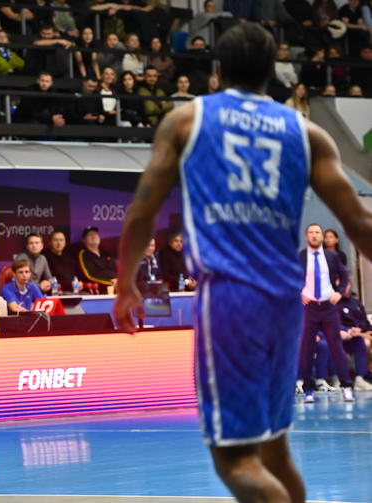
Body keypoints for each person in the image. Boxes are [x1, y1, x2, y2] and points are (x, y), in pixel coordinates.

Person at [114, 23, 372, 503]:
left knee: (233, 459)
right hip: (286, 304)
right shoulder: (308, 133)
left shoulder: (187, 121)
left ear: (218, 70)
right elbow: (359, 221)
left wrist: (126, 284)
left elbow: (142, 212)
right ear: (272, 71)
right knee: (275, 452)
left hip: (230, 299)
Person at [298, 224, 355, 402]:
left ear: (322, 237)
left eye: (317, 232)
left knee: (336, 348)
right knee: (306, 350)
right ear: (306, 237)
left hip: (329, 308)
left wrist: (339, 292)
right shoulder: (300, 256)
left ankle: (346, 387)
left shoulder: (332, 256)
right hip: (309, 308)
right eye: (311, 232)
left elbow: (344, 277)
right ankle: (308, 390)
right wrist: (299, 292)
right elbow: (290, 276)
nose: (314, 235)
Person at [76, 226, 116, 291]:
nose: (93, 236)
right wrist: (110, 282)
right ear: (83, 240)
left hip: (116, 288)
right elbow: (89, 276)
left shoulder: (106, 253)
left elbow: (116, 270)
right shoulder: (83, 254)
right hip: (98, 290)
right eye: (89, 235)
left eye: (95, 234)